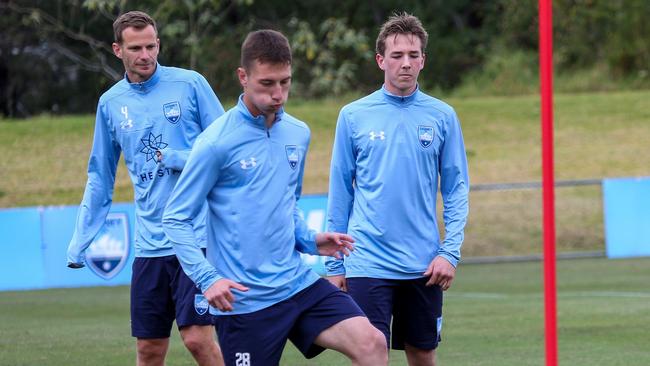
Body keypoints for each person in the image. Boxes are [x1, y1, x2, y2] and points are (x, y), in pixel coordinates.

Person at [162, 29, 388, 366]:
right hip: (247, 302)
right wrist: (207, 278)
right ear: (243, 77)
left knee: (372, 344)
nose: (278, 93)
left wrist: (310, 240)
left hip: (297, 284)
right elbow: (175, 218)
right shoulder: (215, 143)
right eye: (267, 83)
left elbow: (288, 203)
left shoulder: (297, 133)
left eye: (285, 82)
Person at [66, 11, 225, 366]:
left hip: (197, 235)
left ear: (158, 44)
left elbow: (227, 147)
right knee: (149, 349)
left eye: (151, 46)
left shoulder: (190, 85)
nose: (146, 55)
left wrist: (179, 157)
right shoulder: (110, 103)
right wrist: (80, 239)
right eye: (135, 47)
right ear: (117, 50)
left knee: (198, 338)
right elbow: (100, 176)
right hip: (150, 244)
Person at [325, 12, 470, 366]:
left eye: (413, 55)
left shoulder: (442, 116)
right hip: (366, 261)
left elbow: (455, 188)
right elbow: (340, 190)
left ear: (423, 60)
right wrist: (334, 264)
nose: (405, 63)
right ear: (380, 61)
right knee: (370, 352)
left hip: (423, 264)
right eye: (397, 55)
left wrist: (449, 252)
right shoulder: (354, 115)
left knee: (422, 353)